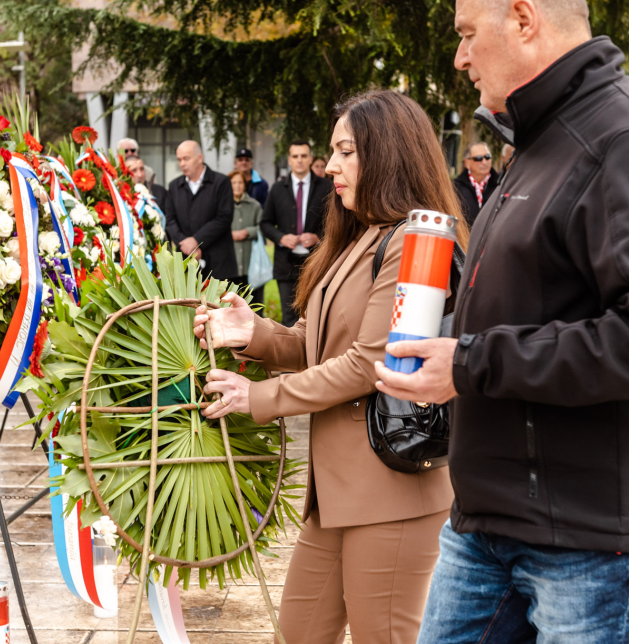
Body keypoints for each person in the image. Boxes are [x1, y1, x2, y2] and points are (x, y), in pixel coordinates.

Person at [372, 0, 629, 643]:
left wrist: (470, 363)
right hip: (491, 522)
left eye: (468, 34)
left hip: (592, 539)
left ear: (523, 19)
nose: (459, 58)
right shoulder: (538, 141)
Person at [193, 89, 465, 644]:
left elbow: (369, 365)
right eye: (331, 152)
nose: (330, 166)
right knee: (298, 634)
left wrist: (258, 398)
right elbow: (319, 344)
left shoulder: (417, 241)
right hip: (336, 495)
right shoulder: (359, 235)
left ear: (388, 155)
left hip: (389, 494)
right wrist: (258, 335)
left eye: (346, 152)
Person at [260, 140, 334, 327]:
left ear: (310, 159)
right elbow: (265, 223)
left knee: (316, 315)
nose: (299, 160)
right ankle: (292, 356)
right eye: (295, 156)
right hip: (286, 265)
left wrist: (318, 237)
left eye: (303, 156)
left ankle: (313, 356)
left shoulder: (326, 187)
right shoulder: (277, 189)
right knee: (290, 318)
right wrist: (281, 238)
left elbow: (335, 223)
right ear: (289, 160)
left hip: (317, 261)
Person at [162, 140, 237, 280]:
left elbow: (224, 217)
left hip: (218, 263)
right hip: (186, 262)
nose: (182, 164)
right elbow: (170, 220)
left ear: (200, 157)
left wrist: (196, 240)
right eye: (179, 159)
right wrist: (185, 244)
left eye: (186, 158)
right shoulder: (174, 186)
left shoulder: (221, 182)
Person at [226, 170, 265, 307]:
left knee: (254, 306)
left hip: (252, 265)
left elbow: (264, 227)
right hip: (230, 266)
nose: (237, 186)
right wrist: (229, 234)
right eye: (233, 183)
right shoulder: (222, 205)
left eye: (240, 182)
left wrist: (247, 232)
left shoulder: (255, 205)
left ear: (245, 184)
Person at [452, 142, 501, 226]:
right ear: (467, 163)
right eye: (478, 158)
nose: (484, 162)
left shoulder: (501, 185)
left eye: (487, 157)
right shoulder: (455, 187)